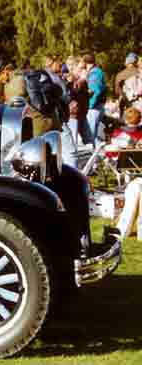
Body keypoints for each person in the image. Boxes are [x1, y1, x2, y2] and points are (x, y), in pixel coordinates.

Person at [110, 108, 142, 240]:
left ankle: (123, 229)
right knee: (136, 188)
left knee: (136, 189)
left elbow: (111, 154)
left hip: (127, 172)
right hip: (133, 174)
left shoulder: (118, 133)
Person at [83, 52, 107, 144]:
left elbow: (95, 91)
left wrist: (89, 106)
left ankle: (95, 157)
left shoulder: (95, 73)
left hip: (94, 108)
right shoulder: (96, 72)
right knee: (95, 136)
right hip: (96, 107)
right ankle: (98, 156)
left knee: (91, 136)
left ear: (85, 62)